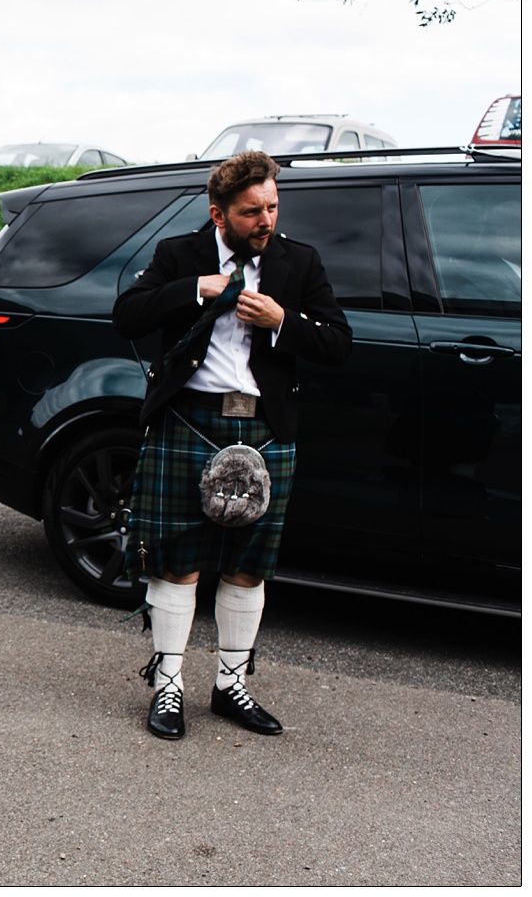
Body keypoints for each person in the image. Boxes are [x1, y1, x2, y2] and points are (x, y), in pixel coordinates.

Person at [113, 150, 351, 741]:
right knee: (178, 561)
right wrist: (193, 289)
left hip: (266, 430)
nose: (265, 220)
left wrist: (281, 320)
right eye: (251, 212)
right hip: (188, 420)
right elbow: (127, 314)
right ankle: (168, 687)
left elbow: (338, 342)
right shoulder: (179, 255)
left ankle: (230, 686)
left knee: (249, 567)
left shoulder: (300, 261)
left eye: (272, 207)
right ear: (218, 213)